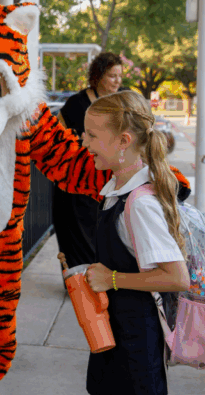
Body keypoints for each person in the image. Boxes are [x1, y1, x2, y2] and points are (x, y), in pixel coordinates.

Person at [81, 91, 191, 395]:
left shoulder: (139, 204)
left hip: (135, 351)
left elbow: (177, 277)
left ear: (123, 141)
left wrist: (112, 279)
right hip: (115, 337)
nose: (84, 142)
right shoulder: (117, 191)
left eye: (92, 135)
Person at [53, 52, 127, 269]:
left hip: (110, 183)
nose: (117, 81)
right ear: (98, 76)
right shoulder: (76, 104)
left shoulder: (124, 101)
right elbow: (58, 139)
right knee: (76, 241)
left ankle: (101, 280)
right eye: (112, 76)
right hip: (76, 184)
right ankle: (78, 281)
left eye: (119, 76)